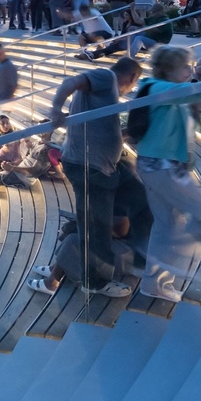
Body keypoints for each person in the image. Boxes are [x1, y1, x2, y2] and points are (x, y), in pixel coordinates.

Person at [134, 46, 201, 302]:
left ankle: (154, 284)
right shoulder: (156, 88)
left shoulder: (169, 93)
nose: (191, 70)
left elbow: (188, 118)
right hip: (162, 168)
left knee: (167, 224)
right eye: (186, 66)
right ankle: (178, 249)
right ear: (170, 68)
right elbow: (188, 92)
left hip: (161, 166)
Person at [48, 57, 143, 298]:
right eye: (135, 83)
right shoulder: (106, 77)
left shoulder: (104, 90)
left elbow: (99, 128)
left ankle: (64, 255)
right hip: (90, 168)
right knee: (98, 228)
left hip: (98, 166)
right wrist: (56, 109)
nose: (132, 89)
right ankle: (95, 282)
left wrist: (122, 134)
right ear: (132, 77)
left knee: (130, 197)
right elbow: (72, 81)